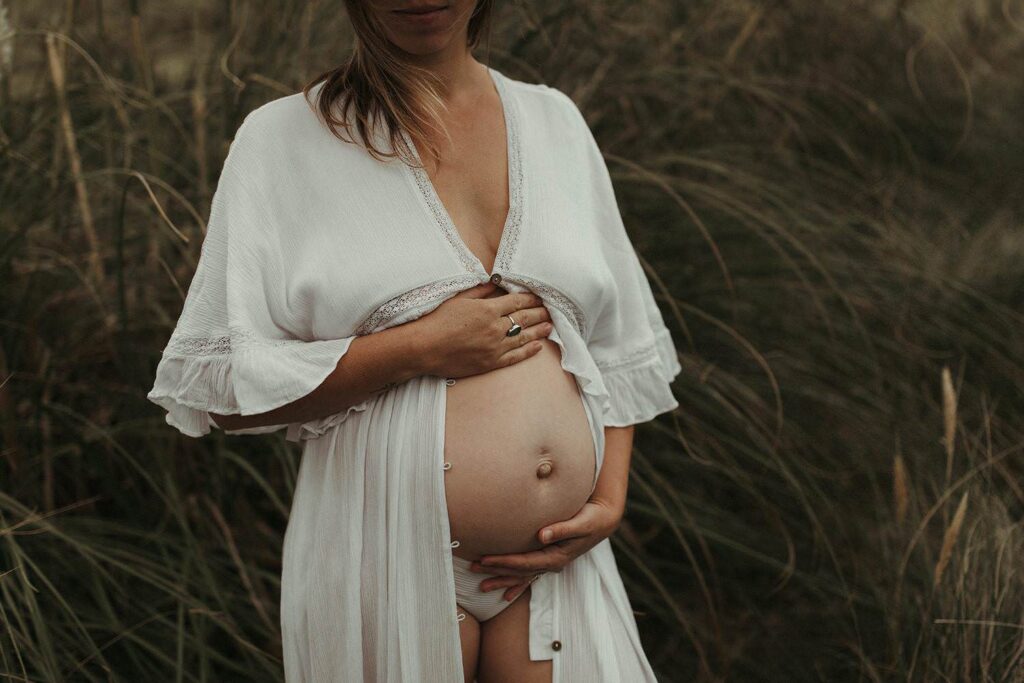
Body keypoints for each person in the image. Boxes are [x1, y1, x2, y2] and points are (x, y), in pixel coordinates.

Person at [147, 1, 682, 680]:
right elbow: (222, 389)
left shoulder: (555, 122)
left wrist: (608, 498)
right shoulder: (283, 141)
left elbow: (619, 341)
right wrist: (420, 348)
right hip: (385, 548)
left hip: (555, 565)